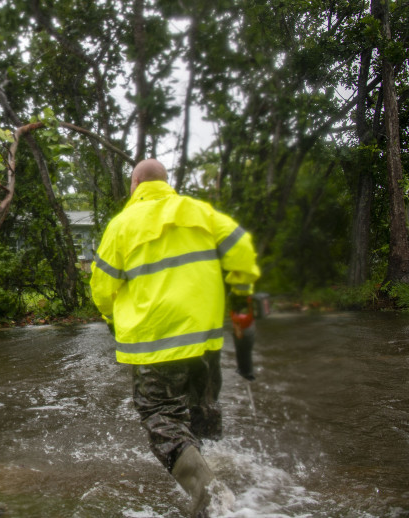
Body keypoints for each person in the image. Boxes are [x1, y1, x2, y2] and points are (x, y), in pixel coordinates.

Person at [90, 158, 260, 516]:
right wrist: (241, 293)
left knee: (159, 415)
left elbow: (101, 288)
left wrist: (110, 319)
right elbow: (242, 247)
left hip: (155, 345)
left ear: (134, 185)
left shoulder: (121, 226)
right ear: (166, 182)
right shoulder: (200, 212)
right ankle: (222, 465)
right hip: (204, 343)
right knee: (201, 407)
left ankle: (210, 495)